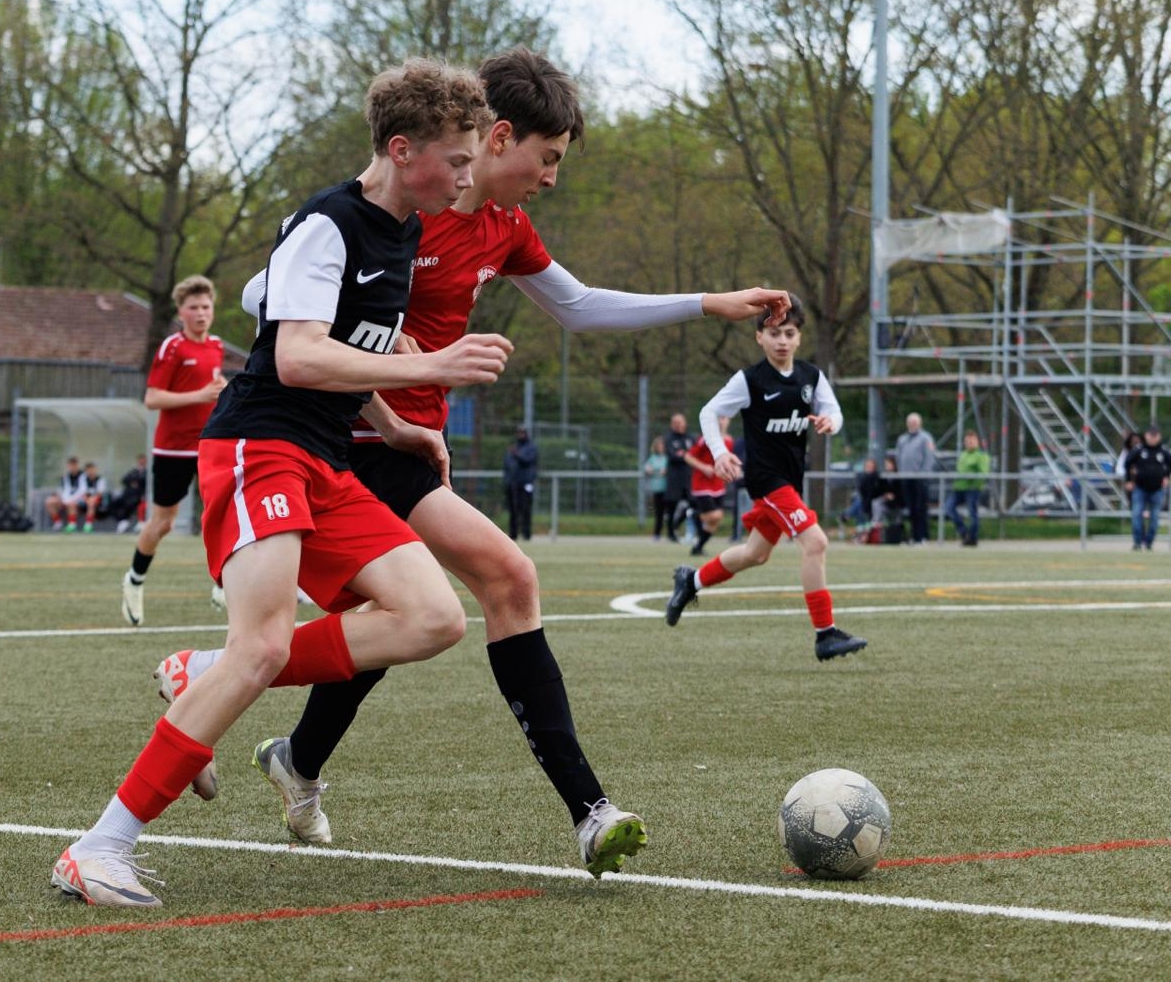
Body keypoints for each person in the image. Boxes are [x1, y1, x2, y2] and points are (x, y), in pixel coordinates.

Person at [188, 48, 789, 874]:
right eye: (547, 158)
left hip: (407, 444)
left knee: (412, 618)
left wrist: (708, 302)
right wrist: (387, 340)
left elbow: (579, 306)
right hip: (338, 442)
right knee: (497, 580)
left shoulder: (502, 226)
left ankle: (293, 753)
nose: (551, 178)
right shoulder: (404, 202)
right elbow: (264, 298)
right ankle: (589, 809)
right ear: (500, 138)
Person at [51, 59, 506, 909]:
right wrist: (431, 365)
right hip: (259, 445)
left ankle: (201, 669)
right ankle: (99, 846)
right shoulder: (328, 224)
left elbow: (335, 341)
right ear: (402, 151)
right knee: (260, 648)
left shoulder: (402, 231)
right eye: (456, 159)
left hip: (325, 458)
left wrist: (394, 424)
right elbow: (295, 355)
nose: (466, 176)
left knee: (434, 616)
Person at [665, 295, 866, 662]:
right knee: (816, 542)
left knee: (754, 554)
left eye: (789, 333)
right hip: (767, 480)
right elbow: (709, 412)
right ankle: (825, 634)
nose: (782, 341)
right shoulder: (750, 380)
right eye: (774, 333)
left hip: (790, 480)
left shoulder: (810, 376)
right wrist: (720, 453)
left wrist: (830, 422)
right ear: (760, 337)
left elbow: (833, 411)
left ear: (799, 337)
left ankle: (690, 581)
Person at [121, 276, 228, 624]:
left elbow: (211, 392)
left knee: (224, 515)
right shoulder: (172, 347)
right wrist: (199, 396)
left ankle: (224, 584)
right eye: (193, 307)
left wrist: (221, 393)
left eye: (206, 307)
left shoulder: (216, 345)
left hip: (209, 444)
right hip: (173, 450)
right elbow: (152, 398)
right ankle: (134, 580)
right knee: (163, 523)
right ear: (181, 312)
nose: (201, 313)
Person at [683, 416, 735, 556]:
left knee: (716, 520)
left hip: (718, 485)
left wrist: (732, 470)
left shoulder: (729, 440)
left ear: (729, 420)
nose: (721, 421)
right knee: (714, 515)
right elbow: (688, 457)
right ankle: (693, 515)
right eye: (719, 418)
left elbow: (726, 461)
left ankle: (698, 548)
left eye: (724, 418)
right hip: (702, 484)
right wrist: (704, 467)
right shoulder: (706, 439)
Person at [1125, 425, 1170, 551]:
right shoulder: (1139, 450)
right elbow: (1127, 463)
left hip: (1157, 490)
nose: (1153, 438)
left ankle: (1149, 543)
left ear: (1159, 436)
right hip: (1140, 488)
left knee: (1154, 519)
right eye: (1151, 435)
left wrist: (1166, 476)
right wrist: (1129, 480)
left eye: (1155, 435)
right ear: (1146, 436)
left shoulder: (1163, 451)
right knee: (1136, 515)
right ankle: (1137, 543)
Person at [894, 412, 936, 545]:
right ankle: (914, 536)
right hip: (906, 478)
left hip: (920, 479)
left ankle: (923, 537)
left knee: (920, 508)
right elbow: (898, 456)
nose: (912, 424)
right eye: (910, 422)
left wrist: (923, 474)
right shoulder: (902, 439)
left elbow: (929, 458)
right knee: (911, 509)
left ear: (920, 423)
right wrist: (901, 472)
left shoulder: (926, 438)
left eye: (915, 422)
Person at [945, 431, 990, 547]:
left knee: (972, 513)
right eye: (967, 441)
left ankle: (972, 538)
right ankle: (964, 532)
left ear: (977, 442)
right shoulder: (963, 455)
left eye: (971, 441)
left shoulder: (981, 456)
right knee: (948, 508)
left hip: (972, 489)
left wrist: (974, 484)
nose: (969, 443)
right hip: (959, 488)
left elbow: (983, 473)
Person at [503, 426, 538, 541]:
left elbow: (528, 461)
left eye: (522, 433)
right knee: (513, 509)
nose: (520, 435)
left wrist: (517, 455)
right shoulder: (515, 447)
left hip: (526, 483)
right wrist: (507, 479)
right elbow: (507, 464)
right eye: (518, 433)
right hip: (513, 483)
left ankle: (526, 534)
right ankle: (513, 534)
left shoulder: (531, 448)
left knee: (526, 509)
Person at [663, 413, 693, 542]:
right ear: (672, 424)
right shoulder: (668, 438)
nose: (678, 425)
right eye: (675, 423)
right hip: (674, 479)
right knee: (672, 505)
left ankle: (677, 524)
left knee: (693, 503)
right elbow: (673, 456)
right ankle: (671, 533)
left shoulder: (691, 438)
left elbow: (695, 455)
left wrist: (683, 454)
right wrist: (687, 456)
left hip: (689, 477)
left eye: (680, 422)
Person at [105, 455, 147, 533]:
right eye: (140, 460)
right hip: (127, 495)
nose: (141, 462)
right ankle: (122, 520)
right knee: (112, 503)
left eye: (143, 460)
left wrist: (137, 482)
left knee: (130, 504)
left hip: (139, 496)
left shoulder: (148, 472)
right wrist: (133, 481)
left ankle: (127, 520)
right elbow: (124, 480)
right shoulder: (134, 471)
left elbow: (145, 483)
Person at [45, 457, 88, 532]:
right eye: (70, 465)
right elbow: (63, 490)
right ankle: (58, 523)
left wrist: (71, 499)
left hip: (80, 499)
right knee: (50, 501)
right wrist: (63, 499)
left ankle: (72, 525)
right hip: (66, 499)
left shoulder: (83, 476)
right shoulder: (66, 476)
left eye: (74, 465)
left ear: (77, 465)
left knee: (71, 503)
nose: (72, 467)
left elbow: (82, 491)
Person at [643, 436, 668, 540]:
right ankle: (657, 534)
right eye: (659, 445)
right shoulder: (652, 458)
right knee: (659, 513)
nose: (661, 447)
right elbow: (647, 468)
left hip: (668, 489)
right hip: (657, 489)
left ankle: (671, 533)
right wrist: (651, 470)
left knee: (669, 513)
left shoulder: (668, 458)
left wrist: (664, 471)